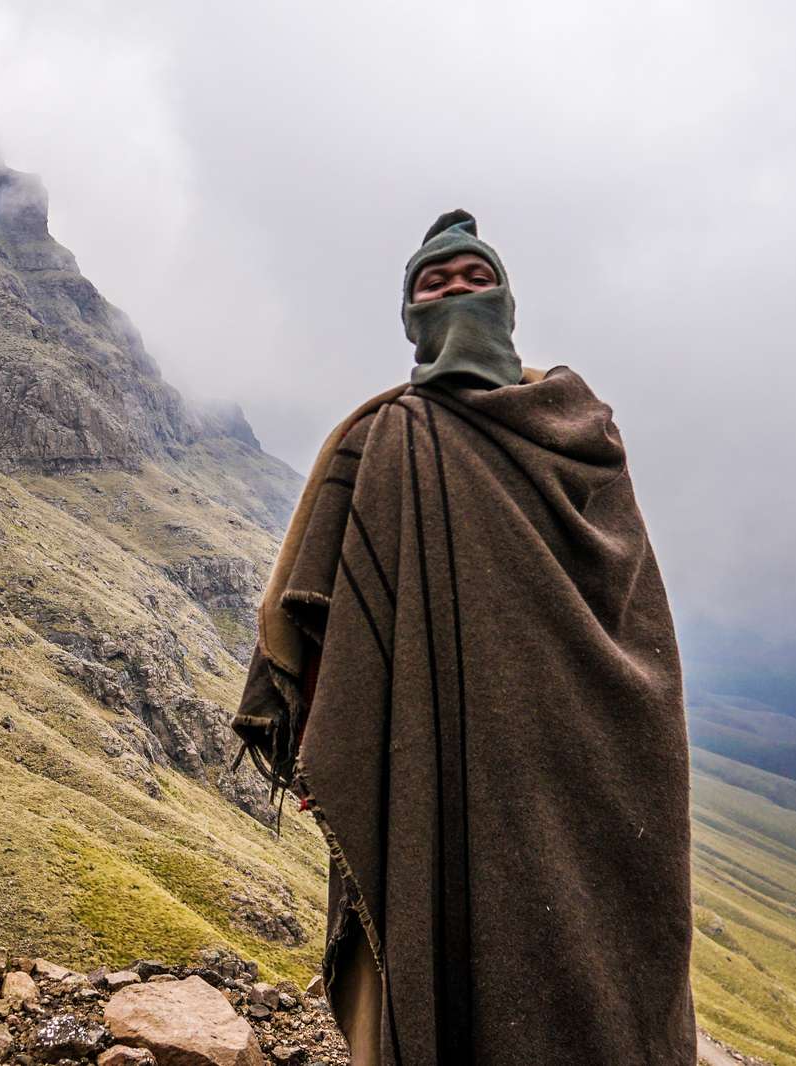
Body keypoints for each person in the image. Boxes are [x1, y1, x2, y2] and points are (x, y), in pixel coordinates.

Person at [231, 210, 695, 1064]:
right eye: (433, 284)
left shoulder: (582, 431)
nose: (454, 293)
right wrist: (334, 735)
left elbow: (626, 599)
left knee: (598, 948)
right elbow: (325, 603)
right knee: (436, 938)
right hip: (432, 753)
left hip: (582, 754)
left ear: (506, 299)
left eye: (472, 279)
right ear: (410, 316)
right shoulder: (388, 438)